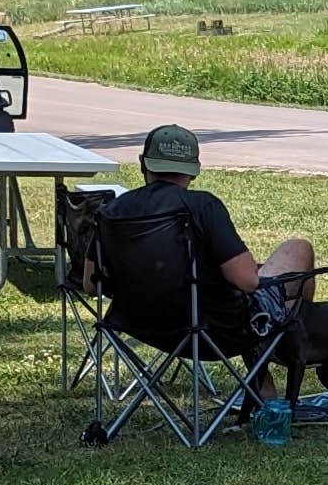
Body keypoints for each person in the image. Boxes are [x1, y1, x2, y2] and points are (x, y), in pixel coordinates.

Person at [101, 124, 258, 341]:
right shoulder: (204, 206)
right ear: (193, 172)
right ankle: (298, 357)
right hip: (209, 331)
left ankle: (262, 376)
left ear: (142, 164)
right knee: (298, 250)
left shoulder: (111, 210)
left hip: (134, 324)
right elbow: (248, 281)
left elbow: (91, 284)